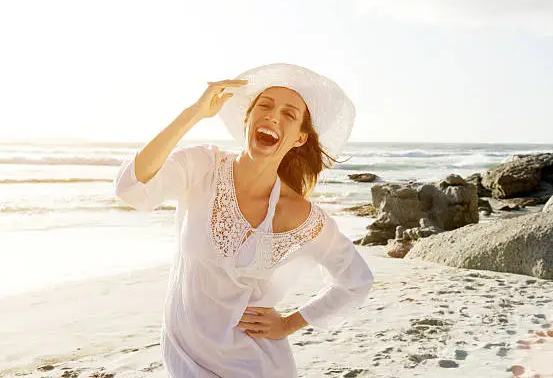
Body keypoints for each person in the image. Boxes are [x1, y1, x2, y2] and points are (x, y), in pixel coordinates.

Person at [113, 63, 374, 377]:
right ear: (247, 119)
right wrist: (194, 113)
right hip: (187, 358)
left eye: (288, 114)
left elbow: (356, 281)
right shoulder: (203, 168)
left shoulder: (301, 216)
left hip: (257, 365)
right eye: (264, 106)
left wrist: (290, 323)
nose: (273, 116)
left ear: (299, 139)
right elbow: (131, 187)